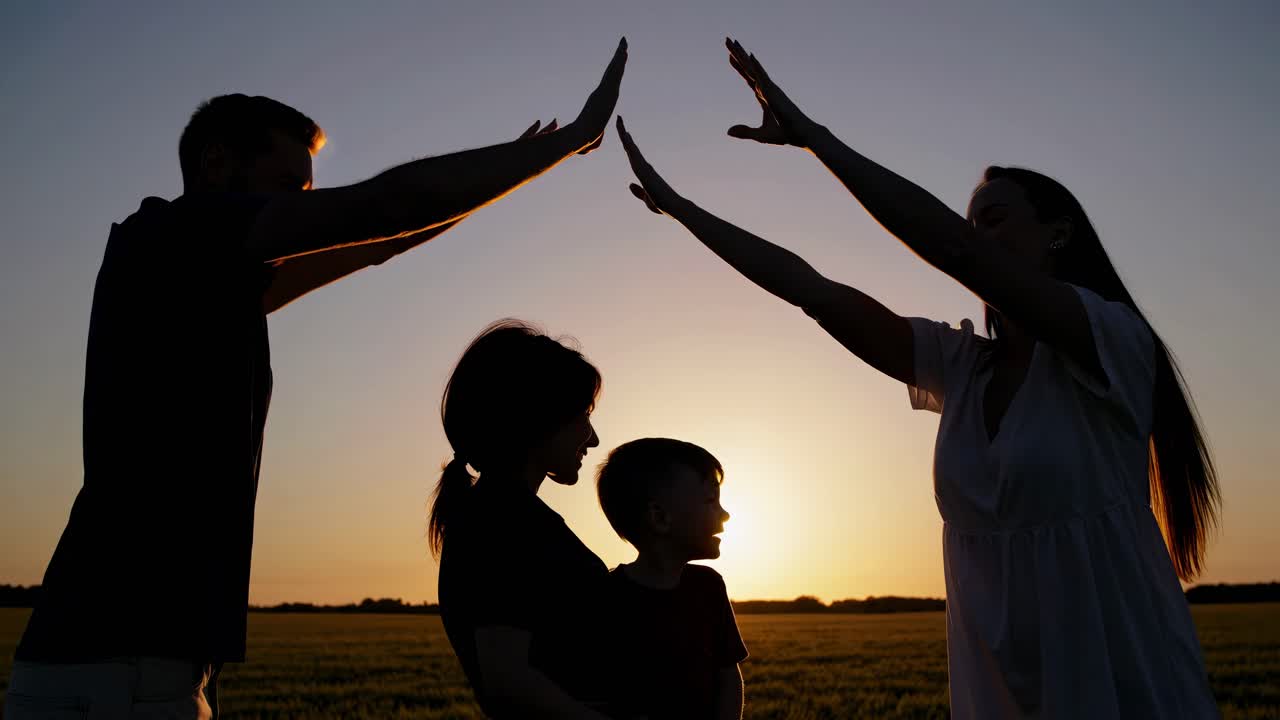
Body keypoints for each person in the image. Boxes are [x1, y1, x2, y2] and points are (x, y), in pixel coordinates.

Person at [6, 39, 627, 720]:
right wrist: (566, 141)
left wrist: (519, 168)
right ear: (216, 164)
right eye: (289, 190)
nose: (305, 210)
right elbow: (385, 205)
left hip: (133, 667)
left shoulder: (206, 279)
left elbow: (382, 236)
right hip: (109, 670)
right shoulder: (173, 232)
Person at [612, 37, 1219, 719]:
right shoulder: (961, 367)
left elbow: (951, 249)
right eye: (970, 223)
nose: (975, 236)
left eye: (995, 219)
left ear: (1059, 233)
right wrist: (682, 209)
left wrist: (814, 139)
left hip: (1126, 685)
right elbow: (809, 287)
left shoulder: (1113, 343)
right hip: (1001, 698)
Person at [432, 320, 618, 719]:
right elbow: (510, 684)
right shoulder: (503, 526)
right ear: (539, 417)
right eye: (583, 415)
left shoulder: (504, 517)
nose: (594, 438)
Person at [595, 438, 746, 720]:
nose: (725, 514)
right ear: (660, 517)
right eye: (710, 500)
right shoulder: (606, 598)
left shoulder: (709, 586)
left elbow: (728, 676)